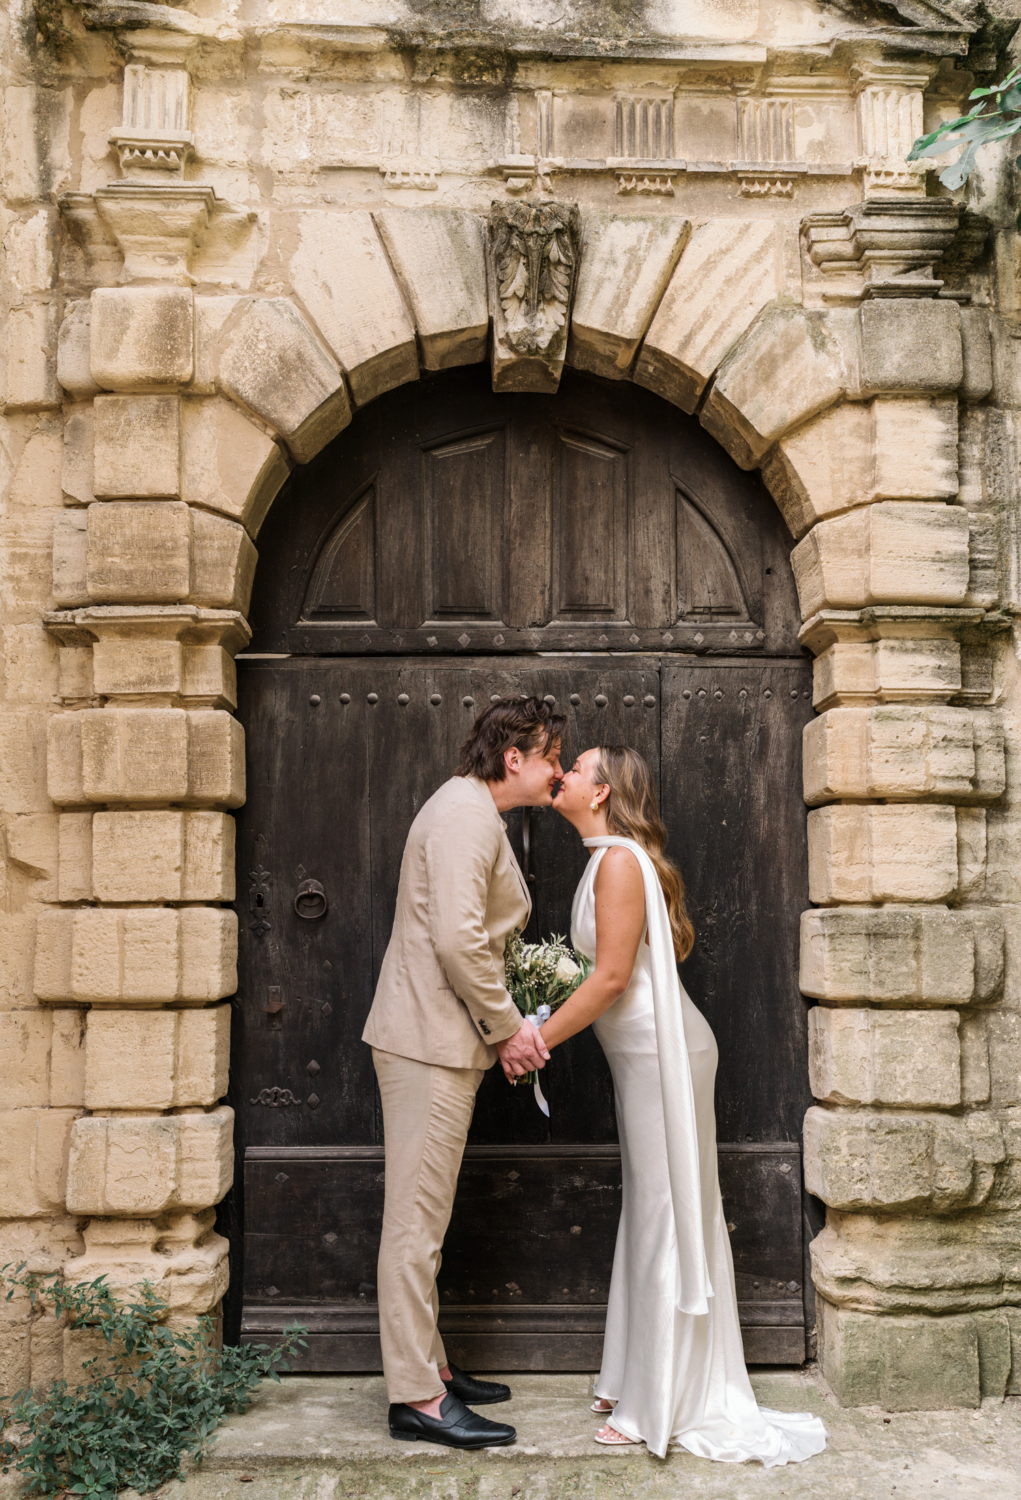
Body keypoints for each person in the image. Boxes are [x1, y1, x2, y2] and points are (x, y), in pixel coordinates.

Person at [539, 745, 827, 1464]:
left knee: (666, 1207)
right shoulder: (606, 855)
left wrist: (535, 1039)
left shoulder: (615, 863)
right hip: (641, 1053)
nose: (561, 775)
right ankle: (629, 1373)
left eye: (574, 768)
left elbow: (607, 982)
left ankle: (656, 1401)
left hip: (660, 1053)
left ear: (601, 792)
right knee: (653, 1204)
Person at [362, 695, 566, 1450]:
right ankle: (416, 1398)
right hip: (428, 1041)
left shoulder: (473, 811)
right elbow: (456, 940)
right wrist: (508, 1029)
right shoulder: (463, 816)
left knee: (427, 1221)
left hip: (437, 1038)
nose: (554, 772)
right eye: (550, 757)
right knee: (415, 1224)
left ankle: (432, 1369)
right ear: (514, 757)